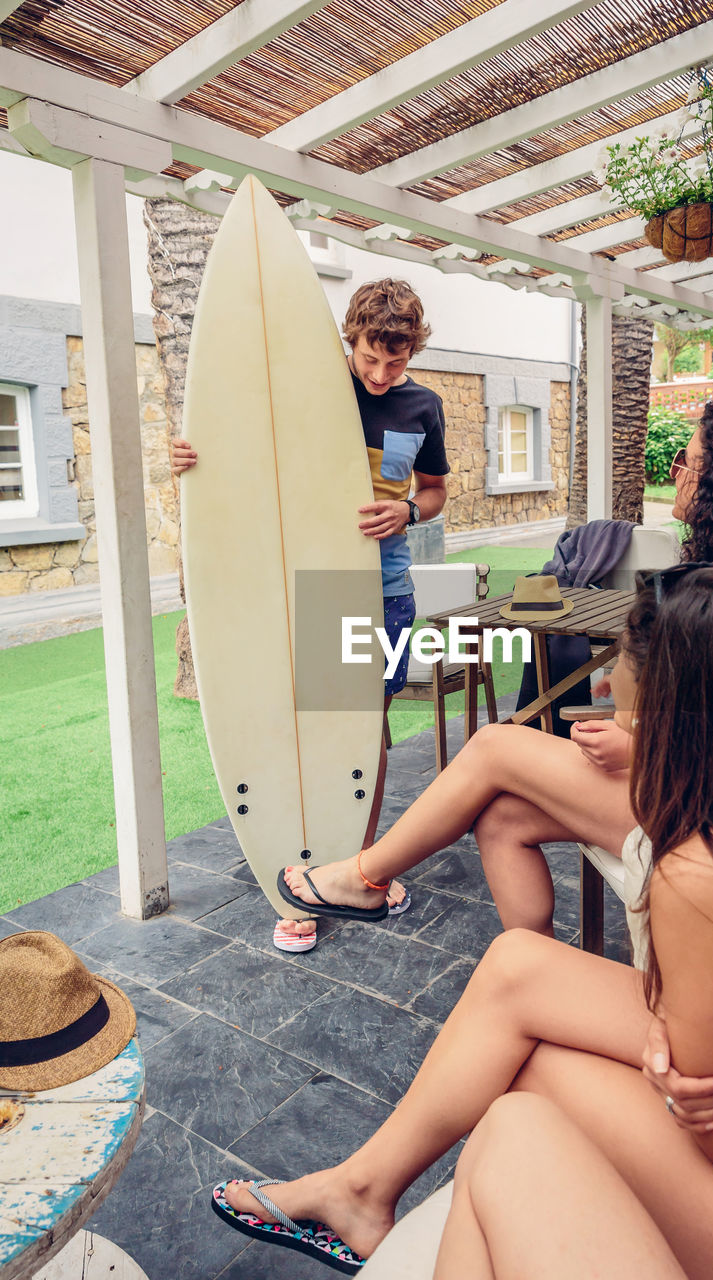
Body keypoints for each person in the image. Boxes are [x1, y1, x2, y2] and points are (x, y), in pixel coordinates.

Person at [213, 567, 713, 1279]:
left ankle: (366, 1194)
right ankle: (361, 1191)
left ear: (674, 714)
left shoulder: (698, 878)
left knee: (516, 1101)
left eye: (625, 693)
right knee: (516, 968)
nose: (607, 698)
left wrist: (667, 1036)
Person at [278, 389, 713, 932]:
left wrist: (636, 741)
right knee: (501, 817)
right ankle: (529, 960)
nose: (676, 474)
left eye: (688, 464)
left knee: (495, 745)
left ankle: (364, 875)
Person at [174, 278, 449, 952]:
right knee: (307, 726)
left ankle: (358, 870)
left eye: (398, 362)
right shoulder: (307, 389)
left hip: (383, 593)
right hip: (304, 590)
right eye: (370, 359)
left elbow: (436, 491)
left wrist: (409, 510)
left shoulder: (422, 406)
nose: (383, 375)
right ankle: (293, 885)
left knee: (366, 728)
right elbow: (243, 458)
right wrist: (191, 458)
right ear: (349, 342)